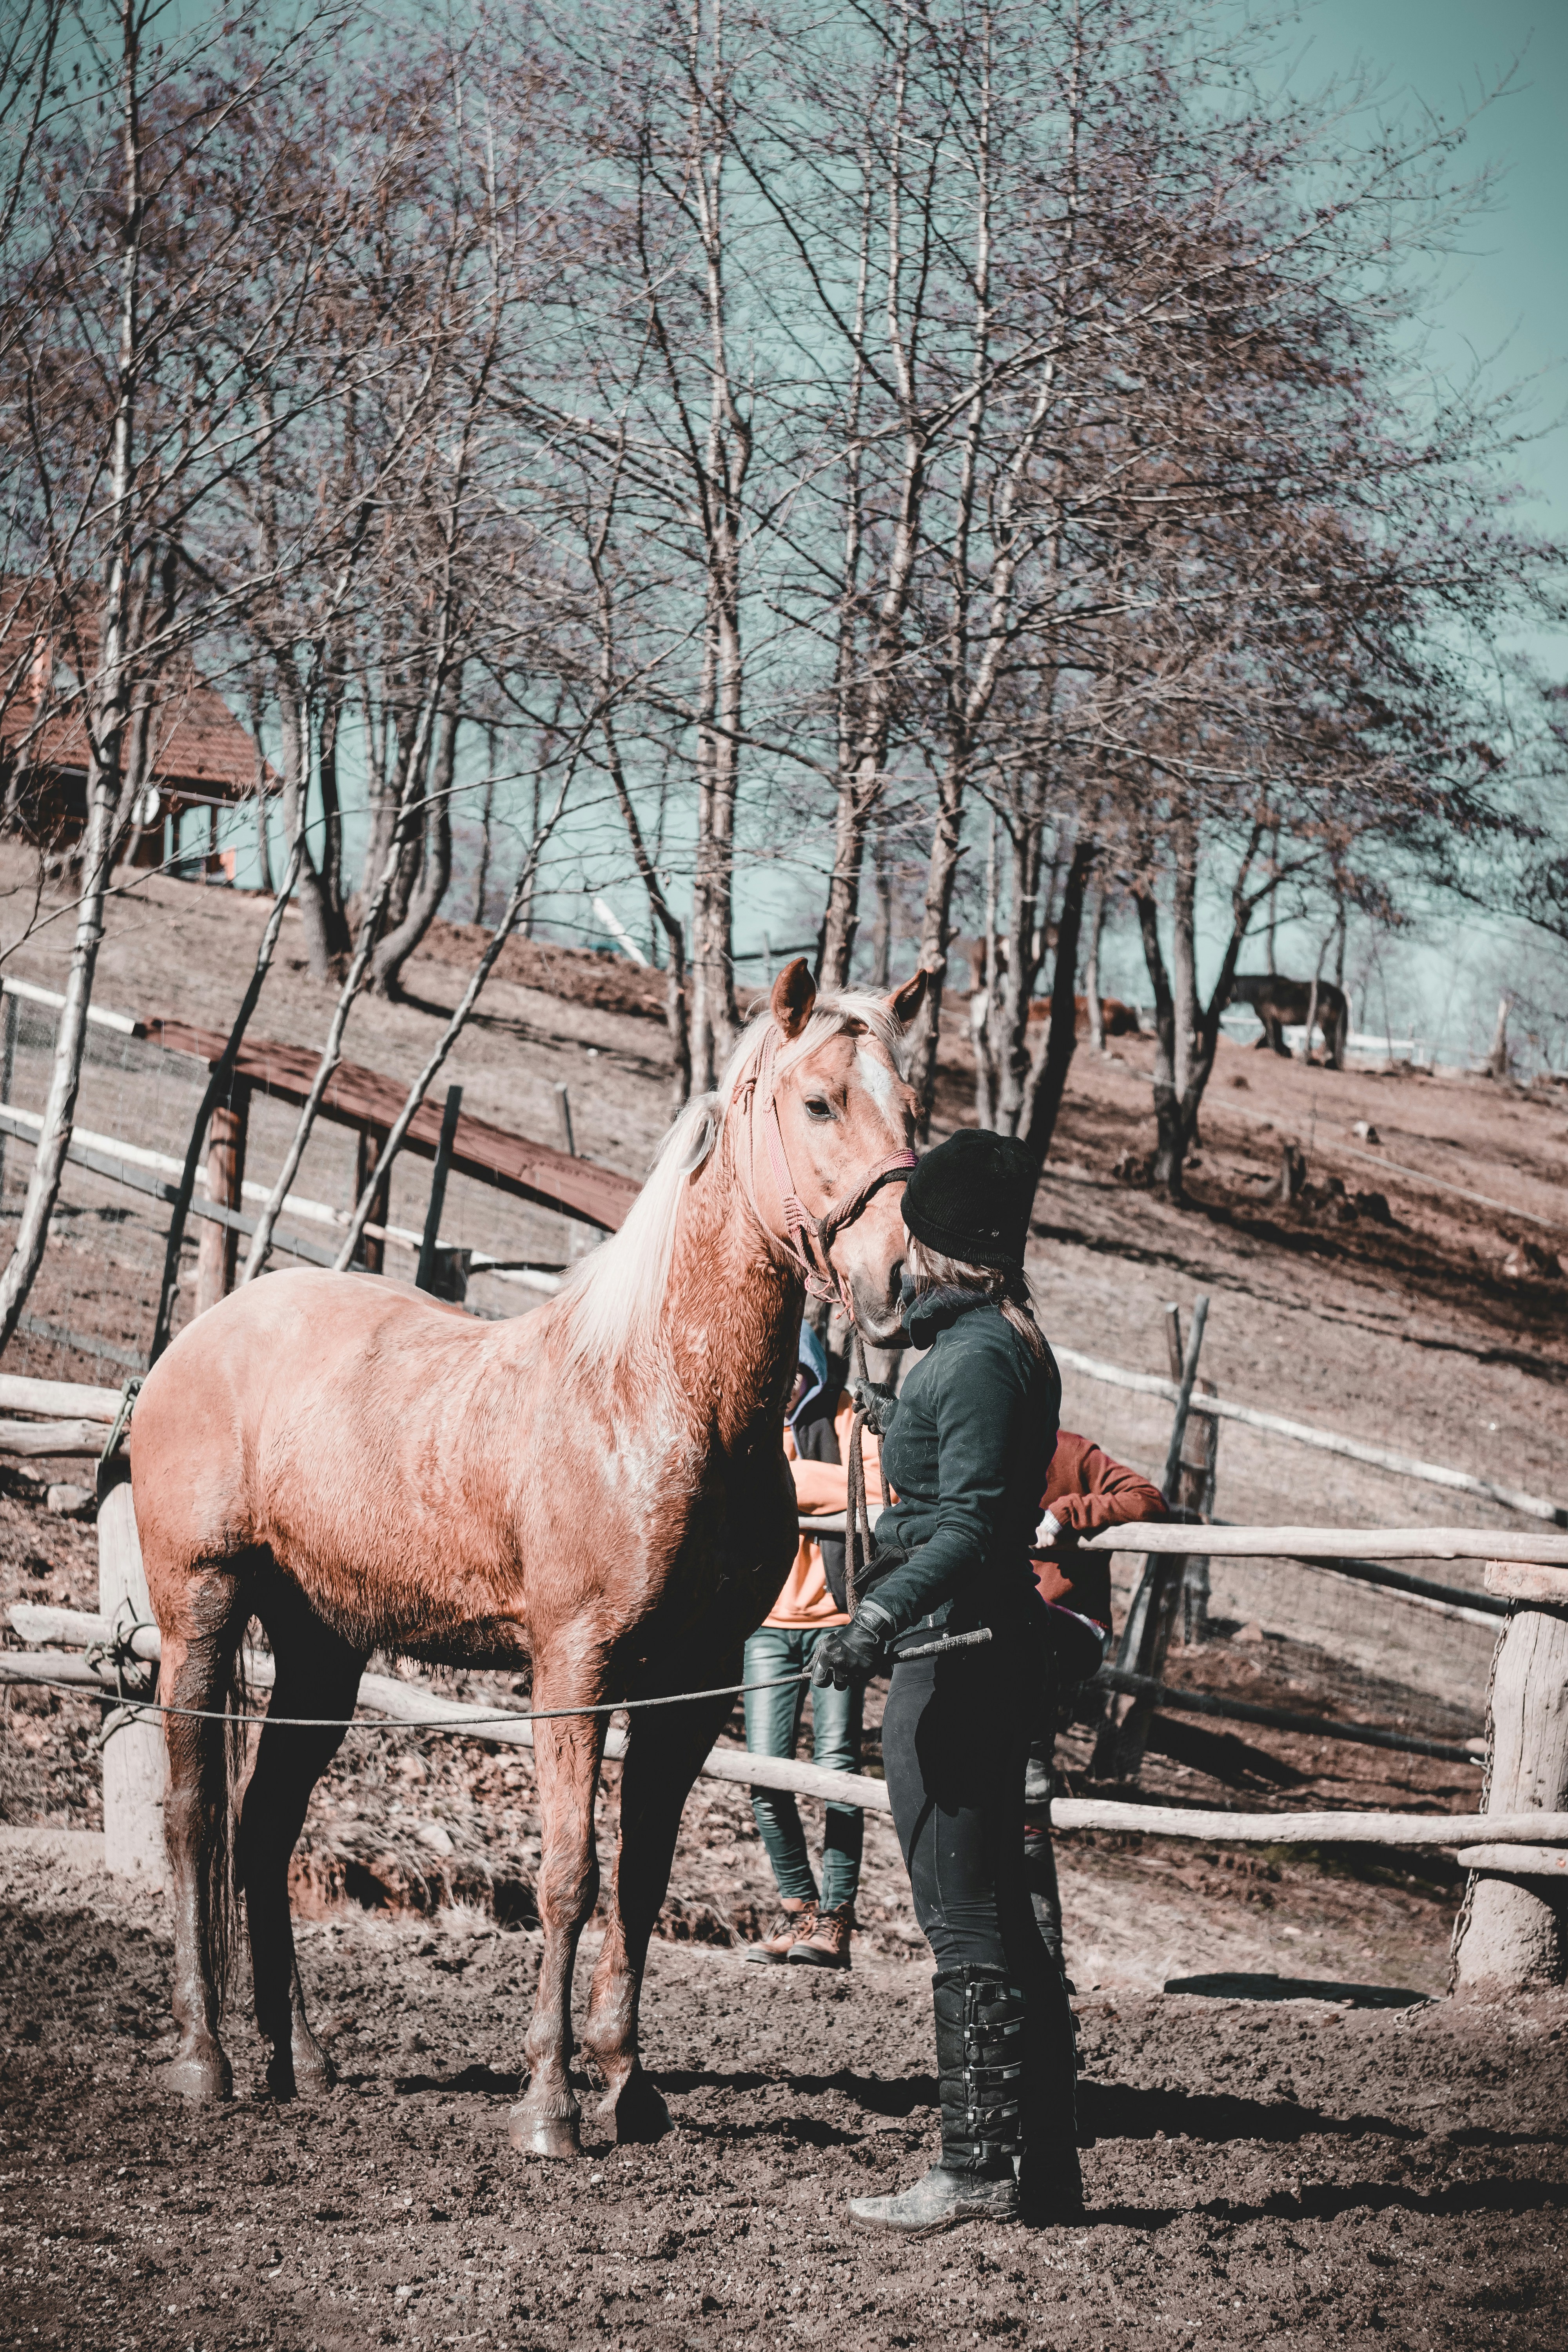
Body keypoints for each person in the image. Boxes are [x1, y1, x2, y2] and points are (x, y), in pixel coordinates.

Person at [813, 1128, 1083, 2234]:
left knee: (965, 1925)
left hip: (956, 1666)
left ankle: (974, 2169)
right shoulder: (993, 1345)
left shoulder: (974, 1358)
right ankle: (1044, 2170)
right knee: (1006, 1930)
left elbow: (972, 1524)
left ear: (939, 1241)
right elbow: (961, 1475)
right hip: (974, 1657)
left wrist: (876, 1613)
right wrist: (880, 1411)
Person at [740, 1322, 882, 1971]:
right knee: (764, 1775)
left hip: (835, 1620)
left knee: (836, 1772)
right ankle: (799, 1908)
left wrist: (789, 1479)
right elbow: (734, 1484)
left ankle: (838, 1918)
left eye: (797, 1369)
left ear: (813, 1369)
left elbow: (877, 1494)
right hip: (767, 1624)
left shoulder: (850, 1417)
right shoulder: (748, 1414)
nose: (787, 1382)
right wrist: (819, 1483)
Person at [1024, 1436, 1170, 1969]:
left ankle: (1044, 1960)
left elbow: (1148, 1499)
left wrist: (1070, 1513)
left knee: (1022, 1800)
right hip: (996, 1636)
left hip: (1062, 1629)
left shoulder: (1072, 1453)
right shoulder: (971, 1441)